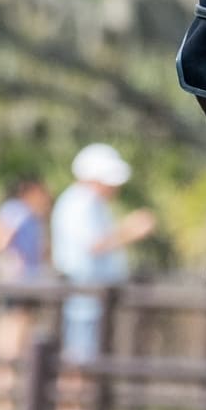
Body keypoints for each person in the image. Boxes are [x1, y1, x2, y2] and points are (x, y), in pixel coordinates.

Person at [53, 143, 157, 372]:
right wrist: (131, 230)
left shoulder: (92, 203)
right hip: (83, 296)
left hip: (92, 296)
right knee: (79, 358)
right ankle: (73, 407)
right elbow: (94, 245)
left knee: (88, 357)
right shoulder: (80, 202)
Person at [0, 174, 52, 410]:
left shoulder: (33, 217)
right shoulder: (17, 210)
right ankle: (2, 405)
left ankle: (8, 404)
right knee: (9, 343)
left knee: (21, 342)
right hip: (18, 285)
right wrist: (11, 262)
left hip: (28, 285)